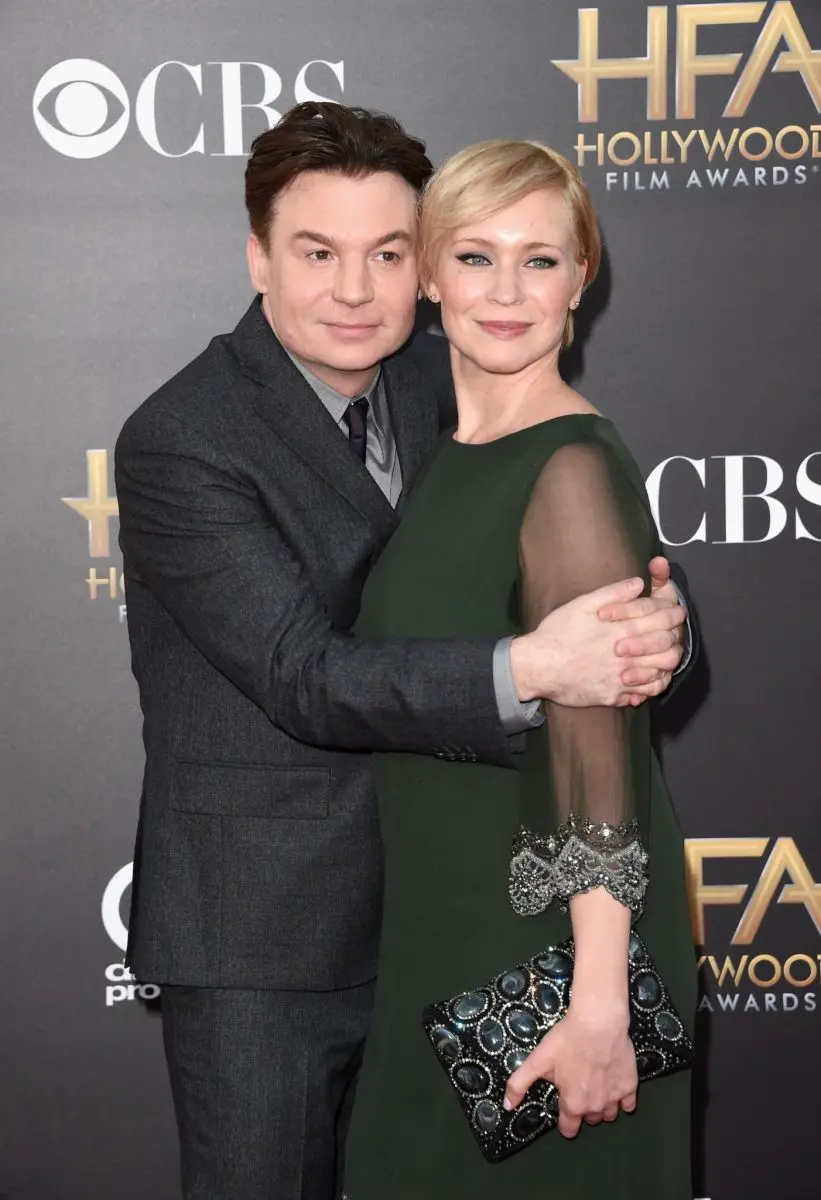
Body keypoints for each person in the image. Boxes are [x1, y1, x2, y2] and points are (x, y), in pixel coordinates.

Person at [115, 104, 693, 1200]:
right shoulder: (184, 436)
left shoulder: (450, 376)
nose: (352, 290)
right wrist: (537, 666)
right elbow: (303, 673)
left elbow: (559, 527)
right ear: (257, 258)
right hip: (264, 948)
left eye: (386, 253)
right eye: (316, 252)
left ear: (418, 267)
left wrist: (648, 627)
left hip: (456, 918)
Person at [343, 138, 696, 1200]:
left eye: (540, 261)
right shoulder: (444, 452)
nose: (506, 292)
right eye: (476, 256)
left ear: (579, 281)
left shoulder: (571, 467)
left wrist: (596, 1006)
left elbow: (597, 759)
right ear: (430, 275)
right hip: (437, 930)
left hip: (542, 956)